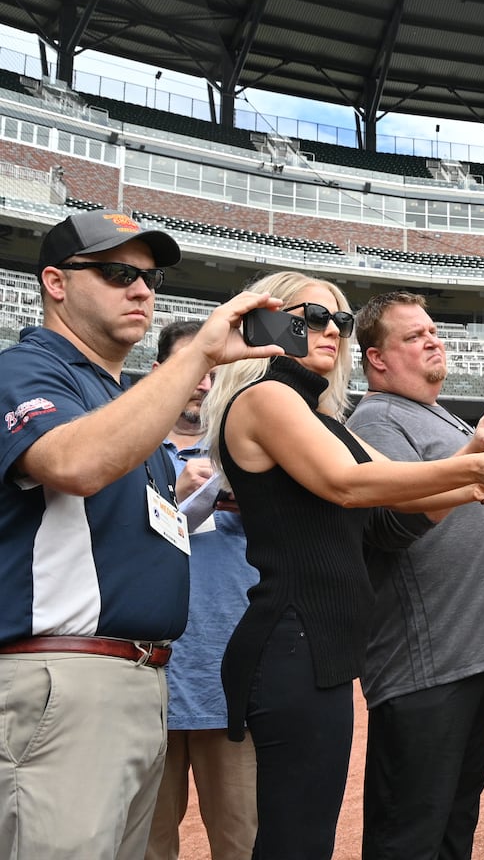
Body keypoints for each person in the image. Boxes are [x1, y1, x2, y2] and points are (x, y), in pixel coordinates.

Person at [200, 270, 484, 860]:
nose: (331, 330)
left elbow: (391, 515)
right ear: (266, 320)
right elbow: (349, 484)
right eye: (312, 317)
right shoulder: (266, 395)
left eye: (338, 318)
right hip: (293, 641)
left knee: (308, 836)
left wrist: (474, 476)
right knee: (297, 841)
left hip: (321, 645)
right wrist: (473, 473)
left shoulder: (319, 415)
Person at [0, 210, 281, 860]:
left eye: (150, 278)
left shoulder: (124, 400)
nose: (142, 290)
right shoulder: (26, 370)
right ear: (56, 283)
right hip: (61, 674)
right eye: (118, 272)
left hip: (138, 676)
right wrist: (201, 355)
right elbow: (74, 463)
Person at [346, 291, 484, 860]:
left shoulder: (434, 413)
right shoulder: (378, 417)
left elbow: (450, 488)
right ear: (377, 359)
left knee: (455, 818)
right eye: (414, 336)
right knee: (411, 829)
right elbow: (389, 520)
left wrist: (480, 457)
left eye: (433, 331)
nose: (433, 340)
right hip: (424, 663)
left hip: (465, 654)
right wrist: (473, 461)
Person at [146, 321, 259, 860]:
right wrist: (175, 493)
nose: (201, 382)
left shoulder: (250, 452)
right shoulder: (128, 452)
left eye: (213, 371)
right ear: (158, 374)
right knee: (144, 844)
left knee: (243, 842)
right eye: (189, 367)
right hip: (148, 681)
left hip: (227, 679)